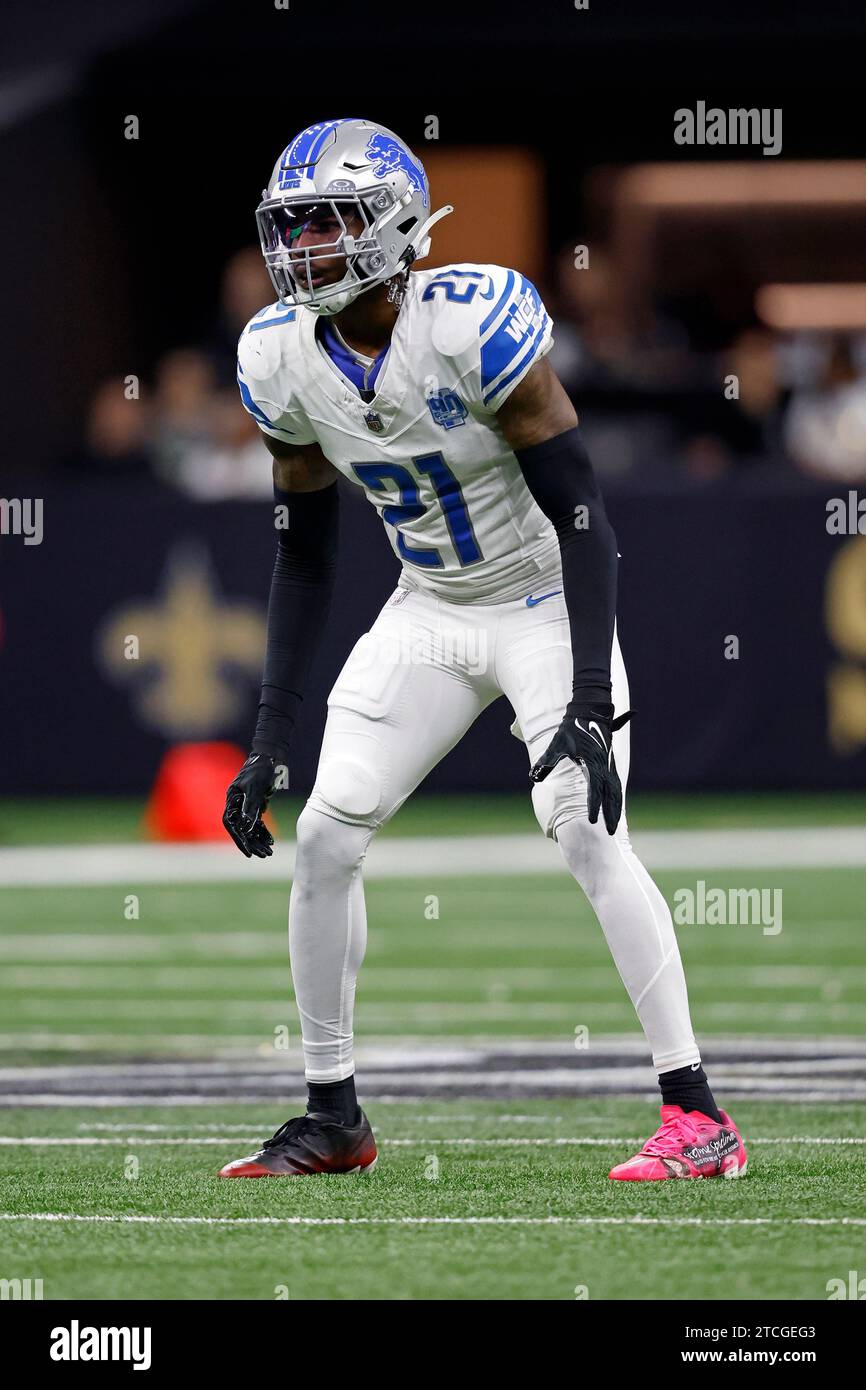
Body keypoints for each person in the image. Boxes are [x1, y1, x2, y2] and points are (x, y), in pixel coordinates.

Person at [218, 118, 747, 1183]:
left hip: (543, 597)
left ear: (394, 226)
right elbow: (307, 555)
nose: (304, 248)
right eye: (293, 227)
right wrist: (271, 731)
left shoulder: (470, 324)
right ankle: (334, 1116)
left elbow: (584, 513)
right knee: (323, 838)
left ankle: (698, 1117)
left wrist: (587, 695)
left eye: (327, 223)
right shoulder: (277, 356)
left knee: (585, 829)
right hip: (428, 605)